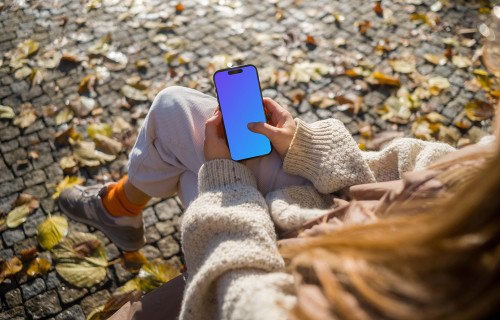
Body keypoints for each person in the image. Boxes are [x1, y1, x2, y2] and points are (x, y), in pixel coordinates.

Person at [59, 81, 500, 319]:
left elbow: (254, 304)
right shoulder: (486, 167)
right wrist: (303, 145)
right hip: (313, 205)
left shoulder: (453, 289)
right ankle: (119, 208)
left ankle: (118, 209)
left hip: (267, 256)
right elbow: (404, 164)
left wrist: (228, 187)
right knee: (176, 108)